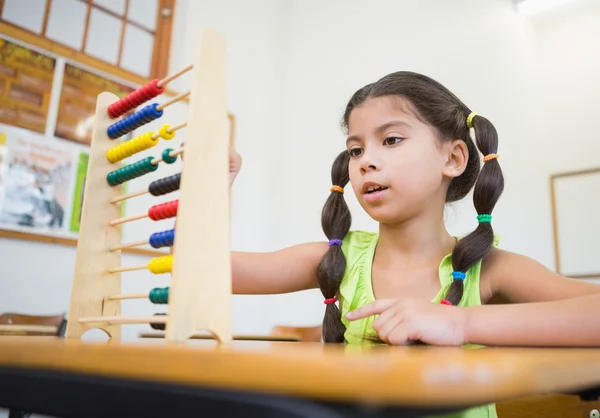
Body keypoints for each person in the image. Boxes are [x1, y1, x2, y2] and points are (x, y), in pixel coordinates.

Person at [181, 71, 600, 416]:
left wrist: (459, 324)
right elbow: (200, 270)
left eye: (391, 140)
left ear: (453, 159)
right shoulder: (334, 258)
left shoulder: (489, 268)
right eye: (356, 148)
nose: (366, 160)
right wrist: (209, 185)